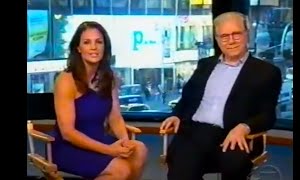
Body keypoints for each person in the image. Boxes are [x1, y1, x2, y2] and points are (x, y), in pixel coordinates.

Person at [160, 12, 282, 180]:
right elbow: (186, 99)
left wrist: (244, 127)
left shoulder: (266, 72)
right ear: (217, 39)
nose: (230, 41)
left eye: (236, 34)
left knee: (235, 164)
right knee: (180, 170)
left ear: (247, 34)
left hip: (233, 134)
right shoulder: (205, 65)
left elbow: (268, 115)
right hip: (195, 132)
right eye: (224, 36)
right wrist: (176, 115)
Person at [52, 21, 148, 180]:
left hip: (100, 139)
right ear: (78, 48)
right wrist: (109, 150)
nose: (93, 47)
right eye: (87, 42)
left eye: (99, 42)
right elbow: (68, 133)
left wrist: (124, 142)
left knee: (139, 150)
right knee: (121, 170)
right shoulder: (66, 80)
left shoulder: (108, 77)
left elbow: (115, 117)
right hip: (71, 147)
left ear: (105, 46)